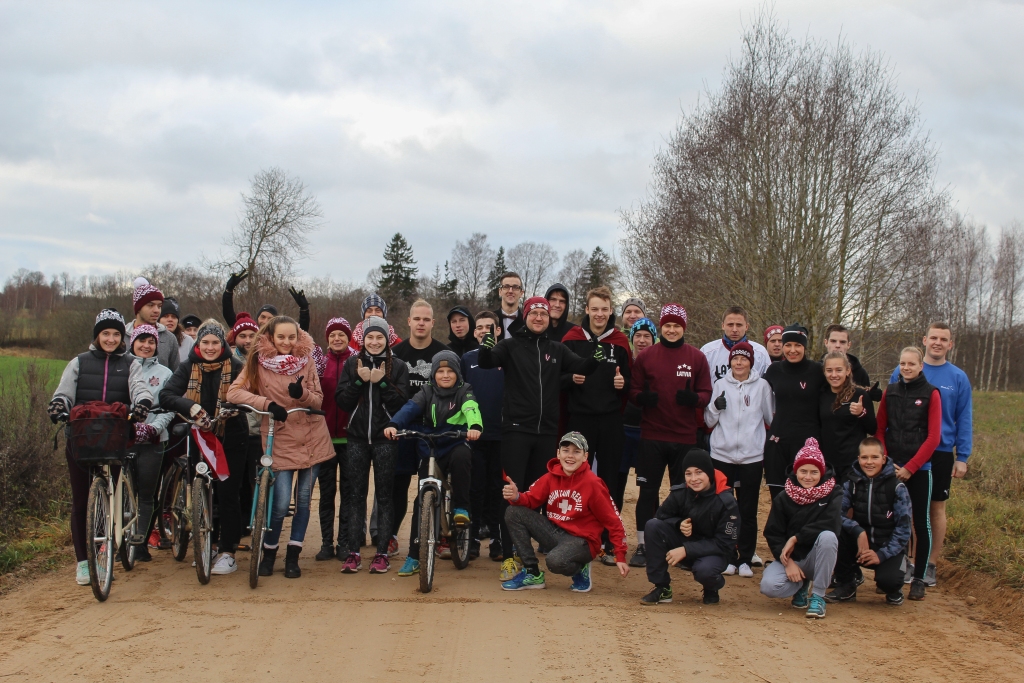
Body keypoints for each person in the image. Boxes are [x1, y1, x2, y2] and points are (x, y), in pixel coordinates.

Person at [477, 296, 601, 581]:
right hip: (516, 430)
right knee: (512, 492)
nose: (539, 318)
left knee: (539, 495)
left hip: (546, 432)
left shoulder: (556, 349)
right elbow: (486, 362)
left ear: (548, 319)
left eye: (543, 314)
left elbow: (582, 367)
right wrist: (485, 345)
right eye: (534, 313)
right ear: (526, 316)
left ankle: (528, 552)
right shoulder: (509, 345)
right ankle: (509, 556)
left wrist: (595, 358)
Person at [49, 309, 153, 586]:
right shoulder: (79, 362)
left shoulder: (130, 364)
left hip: (114, 436)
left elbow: (139, 388)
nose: (110, 338)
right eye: (105, 333)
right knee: (81, 500)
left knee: (113, 497)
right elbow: (64, 391)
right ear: (97, 335)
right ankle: (84, 562)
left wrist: (143, 403)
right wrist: (59, 406)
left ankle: (107, 547)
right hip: (81, 437)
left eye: (116, 334)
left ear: (123, 337)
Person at [227, 316, 334, 578]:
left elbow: (318, 401)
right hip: (279, 437)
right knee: (280, 503)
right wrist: (267, 405)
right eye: (281, 337)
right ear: (271, 337)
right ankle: (269, 551)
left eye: (292, 337)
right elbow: (234, 393)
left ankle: (293, 556)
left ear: (298, 338)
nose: (287, 342)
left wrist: (302, 395)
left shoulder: (306, 361)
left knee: (304, 501)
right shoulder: (256, 362)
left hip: (311, 437)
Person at [160, 319, 249, 574]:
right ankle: (205, 542)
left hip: (232, 435)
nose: (210, 347)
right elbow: (167, 395)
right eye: (205, 342)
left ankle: (227, 549)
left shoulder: (236, 366)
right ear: (198, 343)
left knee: (228, 493)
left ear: (223, 343)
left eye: (215, 342)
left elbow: (249, 392)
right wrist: (189, 406)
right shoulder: (188, 366)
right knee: (201, 491)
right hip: (199, 436)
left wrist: (233, 407)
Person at [627, 304, 712, 568]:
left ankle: (683, 546)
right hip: (652, 435)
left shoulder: (696, 357)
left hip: (685, 438)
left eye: (677, 326)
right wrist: (642, 398)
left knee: (684, 494)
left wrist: (694, 399)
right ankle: (643, 544)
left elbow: (707, 393)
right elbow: (633, 390)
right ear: (661, 327)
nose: (672, 330)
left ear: (683, 328)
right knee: (647, 492)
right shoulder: (647, 356)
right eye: (668, 326)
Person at [887, 322, 972, 588]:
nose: (937, 342)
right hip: (905, 450)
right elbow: (890, 411)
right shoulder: (901, 371)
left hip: (941, 451)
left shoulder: (958, 378)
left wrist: (962, 456)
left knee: (934, 508)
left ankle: (931, 563)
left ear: (950, 344)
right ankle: (910, 561)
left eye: (943, 339)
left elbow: (964, 417)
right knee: (907, 507)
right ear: (924, 340)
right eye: (933, 337)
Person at [386, 350, 483, 576]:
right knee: (422, 500)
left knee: (462, 458)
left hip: (456, 440)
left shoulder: (464, 391)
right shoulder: (426, 391)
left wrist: (475, 427)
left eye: (450, 371)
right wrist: (393, 423)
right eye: (441, 371)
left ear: (458, 374)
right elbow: (410, 408)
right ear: (433, 374)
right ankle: (414, 556)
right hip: (431, 445)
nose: (446, 375)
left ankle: (460, 507)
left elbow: (471, 409)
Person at [500, 431, 629, 592]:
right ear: (558, 453)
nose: (570, 456)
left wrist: (620, 554)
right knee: (513, 512)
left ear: (585, 456)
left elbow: (613, 520)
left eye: (576, 451)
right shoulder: (550, 477)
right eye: (566, 450)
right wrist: (516, 496)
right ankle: (532, 572)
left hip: (582, 540)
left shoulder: (593, 483)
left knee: (555, 562)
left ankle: (580, 569)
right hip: (555, 533)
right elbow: (531, 499)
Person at [560, 286, 632, 561]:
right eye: (595, 309)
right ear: (587, 310)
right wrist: (571, 379)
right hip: (579, 419)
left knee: (609, 482)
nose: (599, 314)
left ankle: (611, 541)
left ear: (611, 310)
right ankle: (575, 536)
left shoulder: (620, 342)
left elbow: (629, 385)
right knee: (575, 478)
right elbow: (558, 380)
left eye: (604, 309)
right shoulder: (572, 340)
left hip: (611, 420)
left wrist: (622, 384)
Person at [335, 316, 411, 574]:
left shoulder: (398, 366)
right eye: (370, 337)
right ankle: (353, 552)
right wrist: (359, 380)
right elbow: (343, 402)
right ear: (363, 340)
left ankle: (382, 552)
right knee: (355, 495)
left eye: (380, 337)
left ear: (387, 340)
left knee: (384, 495)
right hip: (356, 438)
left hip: (385, 439)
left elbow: (401, 405)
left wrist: (381, 381)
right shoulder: (351, 364)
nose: (375, 342)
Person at [704, 341, 774, 578]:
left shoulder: (762, 386)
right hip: (721, 455)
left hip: (751, 457)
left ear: (750, 362)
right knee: (722, 508)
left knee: (747, 509)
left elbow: (770, 417)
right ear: (730, 361)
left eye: (744, 359)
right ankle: (726, 557)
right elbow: (709, 421)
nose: (739, 363)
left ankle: (745, 558)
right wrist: (715, 406)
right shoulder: (720, 384)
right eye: (735, 359)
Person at [876, 346, 941, 600]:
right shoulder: (890, 392)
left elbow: (933, 437)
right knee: (891, 521)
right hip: (891, 467)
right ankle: (894, 573)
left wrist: (911, 468)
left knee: (920, 524)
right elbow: (880, 430)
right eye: (902, 364)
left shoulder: (931, 394)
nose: (906, 368)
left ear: (920, 366)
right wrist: (885, 460)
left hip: (919, 469)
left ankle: (919, 578)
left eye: (911, 364)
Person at [640, 449, 737, 606]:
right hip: (685, 545)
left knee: (705, 571)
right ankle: (662, 587)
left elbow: (725, 544)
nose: (694, 479)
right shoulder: (680, 492)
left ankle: (712, 586)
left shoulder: (726, 502)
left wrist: (686, 549)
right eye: (688, 473)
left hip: (714, 553)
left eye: (699, 472)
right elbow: (660, 517)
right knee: (653, 526)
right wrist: (679, 523)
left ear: (709, 472)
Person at [390, 301, 450, 554]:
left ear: (433, 323)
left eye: (426, 319)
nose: (421, 323)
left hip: (434, 429)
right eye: (417, 319)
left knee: (433, 484)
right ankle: (391, 535)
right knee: (398, 483)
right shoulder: (395, 353)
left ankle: (436, 536)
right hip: (404, 428)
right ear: (409, 321)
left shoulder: (443, 354)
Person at [760, 438, 842, 619]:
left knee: (828, 537)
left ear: (822, 472)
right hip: (793, 558)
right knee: (768, 586)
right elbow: (772, 533)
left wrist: (796, 538)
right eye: (803, 471)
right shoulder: (783, 496)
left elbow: (831, 524)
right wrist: (788, 563)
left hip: (818, 558)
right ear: (795, 471)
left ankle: (818, 596)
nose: (808, 476)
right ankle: (801, 585)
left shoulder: (834, 492)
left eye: (814, 472)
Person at [826, 437, 912, 606]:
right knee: (833, 531)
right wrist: (857, 530)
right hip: (861, 544)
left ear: (884, 459)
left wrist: (881, 555)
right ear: (858, 459)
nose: (869, 462)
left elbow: (904, 529)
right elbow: (836, 514)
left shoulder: (897, 488)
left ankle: (894, 587)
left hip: (887, 546)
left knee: (889, 582)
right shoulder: (851, 483)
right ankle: (847, 583)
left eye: (875, 457)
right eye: (864, 457)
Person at [126, 325, 175, 562]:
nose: (146, 345)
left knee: (147, 493)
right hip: (124, 438)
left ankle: (140, 543)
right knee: (126, 494)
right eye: (141, 340)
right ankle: (120, 543)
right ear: (132, 342)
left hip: (154, 440)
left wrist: (154, 428)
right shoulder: (122, 367)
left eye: (151, 341)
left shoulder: (165, 373)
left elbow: (170, 407)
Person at [762, 324, 823, 499]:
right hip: (778, 443)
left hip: (808, 444)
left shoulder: (817, 371)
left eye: (798, 345)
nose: (792, 350)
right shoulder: (774, 370)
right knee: (779, 499)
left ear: (805, 347)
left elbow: (838, 388)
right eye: (788, 345)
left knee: (805, 499)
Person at [313, 317, 358, 561]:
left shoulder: (356, 361)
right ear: (327, 338)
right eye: (332, 335)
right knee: (327, 492)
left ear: (348, 337)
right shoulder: (319, 363)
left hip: (351, 438)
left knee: (349, 493)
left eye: (341, 334)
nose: (337, 338)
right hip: (325, 437)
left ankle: (344, 543)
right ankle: (325, 543)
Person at [462, 311, 505, 561]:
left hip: (501, 435)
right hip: (474, 434)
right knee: (475, 489)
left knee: (496, 489)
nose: (483, 332)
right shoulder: (467, 359)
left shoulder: (506, 355)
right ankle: (474, 538)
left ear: (498, 331)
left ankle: (498, 541)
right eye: (479, 328)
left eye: (489, 327)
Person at [617, 317, 657, 563]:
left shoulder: (658, 363)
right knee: (616, 485)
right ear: (631, 339)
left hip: (649, 432)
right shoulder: (624, 362)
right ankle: (614, 538)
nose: (642, 341)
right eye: (638, 336)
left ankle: (647, 541)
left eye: (647, 336)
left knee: (649, 490)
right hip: (622, 431)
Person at [227, 312, 262, 541]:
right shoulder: (229, 361)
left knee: (256, 481)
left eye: (252, 335)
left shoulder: (263, 361)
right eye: (243, 335)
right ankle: (240, 525)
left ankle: (256, 523)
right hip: (236, 429)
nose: (247, 340)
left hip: (259, 430)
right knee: (237, 482)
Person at [820, 351, 877, 484]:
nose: (834, 375)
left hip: (852, 464)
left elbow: (873, 428)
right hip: (828, 463)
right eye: (829, 370)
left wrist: (861, 413)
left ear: (847, 371)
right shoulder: (821, 395)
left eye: (838, 370)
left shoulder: (859, 395)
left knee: (849, 503)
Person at [221, 269, 311, 331]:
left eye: (270, 318)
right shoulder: (250, 334)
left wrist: (304, 310)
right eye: (263, 317)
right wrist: (228, 291)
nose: (265, 321)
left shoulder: (280, 338)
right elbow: (229, 316)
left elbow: (301, 333)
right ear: (257, 318)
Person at [700, 306, 772, 382]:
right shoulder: (707, 351)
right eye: (730, 325)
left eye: (739, 325)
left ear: (747, 326)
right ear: (723, 326)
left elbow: (767, 384)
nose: (734, 330)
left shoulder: (760, 353)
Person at [125, 277, 180, 371]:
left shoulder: (169, 339)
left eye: (159, 306)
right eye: (150, 305)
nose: (156, 310)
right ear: (138, 307)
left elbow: (176, 377)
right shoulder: (121, 336)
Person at [159, 297, 194, 362]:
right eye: (165, 316)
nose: (170, 320)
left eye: (174, 317)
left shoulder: (188, 341)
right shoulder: (151, 340)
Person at [493, 272, 524, 340]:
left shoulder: (526, 322)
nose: (510, 291)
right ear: (500, 291)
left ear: (521, 293)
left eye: (515, 287)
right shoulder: (490, 319)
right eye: (506, 287)